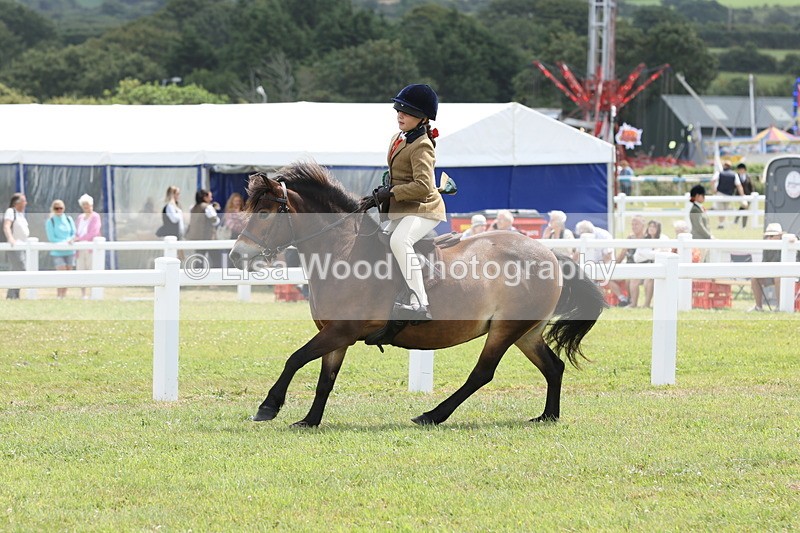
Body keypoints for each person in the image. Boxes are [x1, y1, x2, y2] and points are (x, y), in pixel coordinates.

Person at [370, 83, 445, 322]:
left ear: (422, 118)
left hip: (424, 207)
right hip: (403, 207)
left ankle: (419, 301)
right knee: (377, 238)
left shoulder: (422, 146)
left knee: (400, 241)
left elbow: (424, 186)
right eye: (398, 110)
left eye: (407, 112)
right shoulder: (398, 138)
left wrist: (391, 192)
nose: (400, 115)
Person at [574, 219, 629, 306]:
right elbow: (577, 255)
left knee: (602, 276)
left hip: (606, 264)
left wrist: (596, 268)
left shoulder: (604, 235)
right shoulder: (583, 236)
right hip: (589, 266)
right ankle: (590, 301)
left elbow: (608, 256)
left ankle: (622, 299)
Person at [632, 220, 671, 308]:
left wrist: (648, 254)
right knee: (633, 280)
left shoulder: (663, 238)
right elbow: (637, 256)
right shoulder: (645, 239)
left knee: (648, 281)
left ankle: (647, 304)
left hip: (660, 267)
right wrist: (654, 253)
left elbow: (666, 251)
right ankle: (633, 303)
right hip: (645, 265)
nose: (651, 229)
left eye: (654, 227)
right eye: (650, 226)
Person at [749, 223, 786, 312]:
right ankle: (759, 307)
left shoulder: (786, 244)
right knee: (755, 279)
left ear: (779, 236)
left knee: (778, 278)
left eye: (771, 236)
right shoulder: (766, 246)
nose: (769, 238)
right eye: (767, 236)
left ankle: (779, 307)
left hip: (785, 275)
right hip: (771, 274)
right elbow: (764, 262)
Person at [45, 199, 77, 299]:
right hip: (57, 252)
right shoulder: (51, 221)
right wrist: (63, 242)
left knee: (68, 273)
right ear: (53, 209)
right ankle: (59, 295)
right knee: (61, 271)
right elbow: (51, 237)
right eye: (56, 208)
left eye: (61, 208)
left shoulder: (68, 219)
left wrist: (70, 240)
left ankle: (64, 295)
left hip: (70, 251)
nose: (59, 210)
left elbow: (74, 233)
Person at [74, 194, 102, 299]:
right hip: (80, 249)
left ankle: (93, 293)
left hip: (90, 249)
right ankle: (83, 294)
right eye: (84, 205)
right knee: (81, 270)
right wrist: (75, 238)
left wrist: (79, 239)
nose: (87, 207)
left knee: (91, 269)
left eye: (88, 205)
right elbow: (76, 231)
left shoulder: (95, 216)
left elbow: (94, 232)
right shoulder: (80, 217)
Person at [3, 193, 30, 299]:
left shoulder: (21, 214)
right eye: (24, 201)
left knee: (16, 269)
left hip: (22, 246)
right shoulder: (11, 211)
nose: (25, 203)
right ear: (16, 203)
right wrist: (10, 238)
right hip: (14, 246)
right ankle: (12, 295)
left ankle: (14, 295)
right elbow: (6, 226)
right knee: (21, 268)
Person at [185, 188, 221, 268]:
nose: (211, 199)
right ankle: (217, 278)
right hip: (209, 238)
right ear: (205, 197)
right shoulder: (208, 207)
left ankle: (197, 278)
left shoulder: (192, 207)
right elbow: (215, 221)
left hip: (197, 238)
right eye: (210, 197)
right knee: (217, 259)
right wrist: (214, 210)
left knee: (199, 260)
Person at [617, 216, 646, 307]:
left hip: (642, 268)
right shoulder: (629, 238)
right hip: (628, 267)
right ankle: (624, 299)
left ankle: (633, 303)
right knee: (609, 278)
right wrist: (613, 266)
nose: (634, 226)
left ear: (643, 225)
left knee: (631, 279)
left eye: (636, 224)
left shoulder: (647, 238)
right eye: (632, 224)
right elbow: (622, 254)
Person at [712, 161, 744, 230]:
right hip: (729, 195)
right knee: (725, 209)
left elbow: (712, 181)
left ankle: (721, 224)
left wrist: (713, 190)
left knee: (721, 210)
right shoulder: (734, 174)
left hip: (720, 194)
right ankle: (721, 224)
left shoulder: (719, 173)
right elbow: (739, 186)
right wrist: (742, 196)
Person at [689, 185, 712, 261]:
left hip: (703, 238)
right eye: (703, 195)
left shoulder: (699, 208)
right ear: (697, 196)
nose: (704, 197)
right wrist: (709, 236)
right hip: (698, 239)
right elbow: (699, 226)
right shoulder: (695, 210)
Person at [733, 163, 754, 228]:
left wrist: (752, 194)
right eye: (740, 169)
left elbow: (751, 186)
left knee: (745, 209)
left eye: (742, 169)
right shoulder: (736, 177)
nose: (741, 171)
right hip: (739, 195)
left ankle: (741, 223)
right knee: (745, 207)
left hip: (748, 195)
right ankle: (739, 222)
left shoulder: (748, 177)